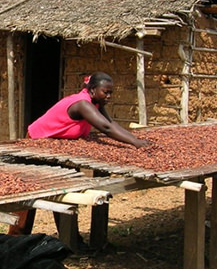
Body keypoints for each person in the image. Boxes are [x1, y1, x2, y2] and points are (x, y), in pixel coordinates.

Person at [9, 71, 149, 238]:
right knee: (30, 191)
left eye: (111, 92)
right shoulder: (82, 104)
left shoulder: (96, 103)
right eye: (106, 92)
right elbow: (105, 129)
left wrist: (136, 140)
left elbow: (110, 123)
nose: (109, 96)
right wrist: (135, 143)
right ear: (92, 90)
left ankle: (69, 239)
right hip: (36, 143)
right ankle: (16, 239)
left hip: (55, 146)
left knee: (62, 190)